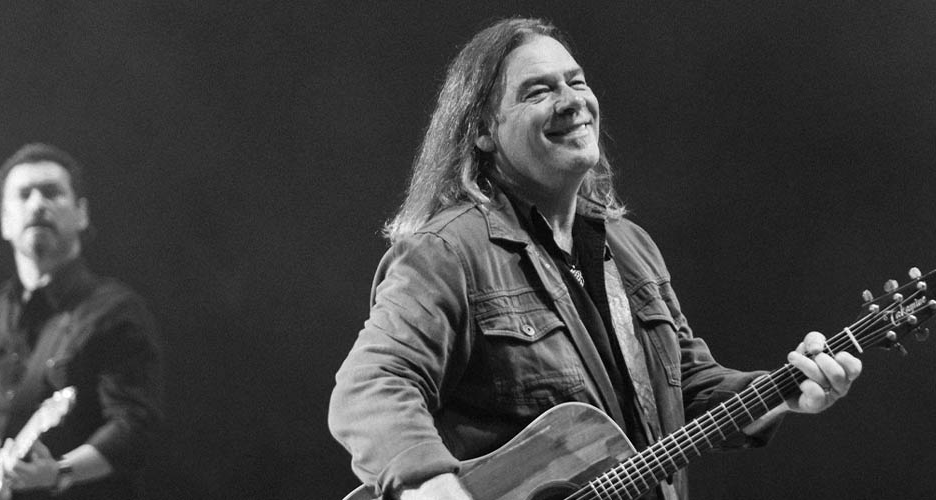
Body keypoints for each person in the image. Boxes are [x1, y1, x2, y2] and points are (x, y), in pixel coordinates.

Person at [328, 18, 862, 500]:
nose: (571, 101)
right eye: (538, 91)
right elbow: (371, 386)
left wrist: (786, 390)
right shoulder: (450, 251)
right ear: (484, 133)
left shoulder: (630, 248)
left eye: (577, 81)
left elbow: (688, 388)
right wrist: (428, 485)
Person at [0, 143, 163, 499]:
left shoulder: (113, 311)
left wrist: (58, 472)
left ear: (82, 213)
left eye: (52, 193)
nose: (38, 204)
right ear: (4, 221)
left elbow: (133, 425)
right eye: (24, 195)